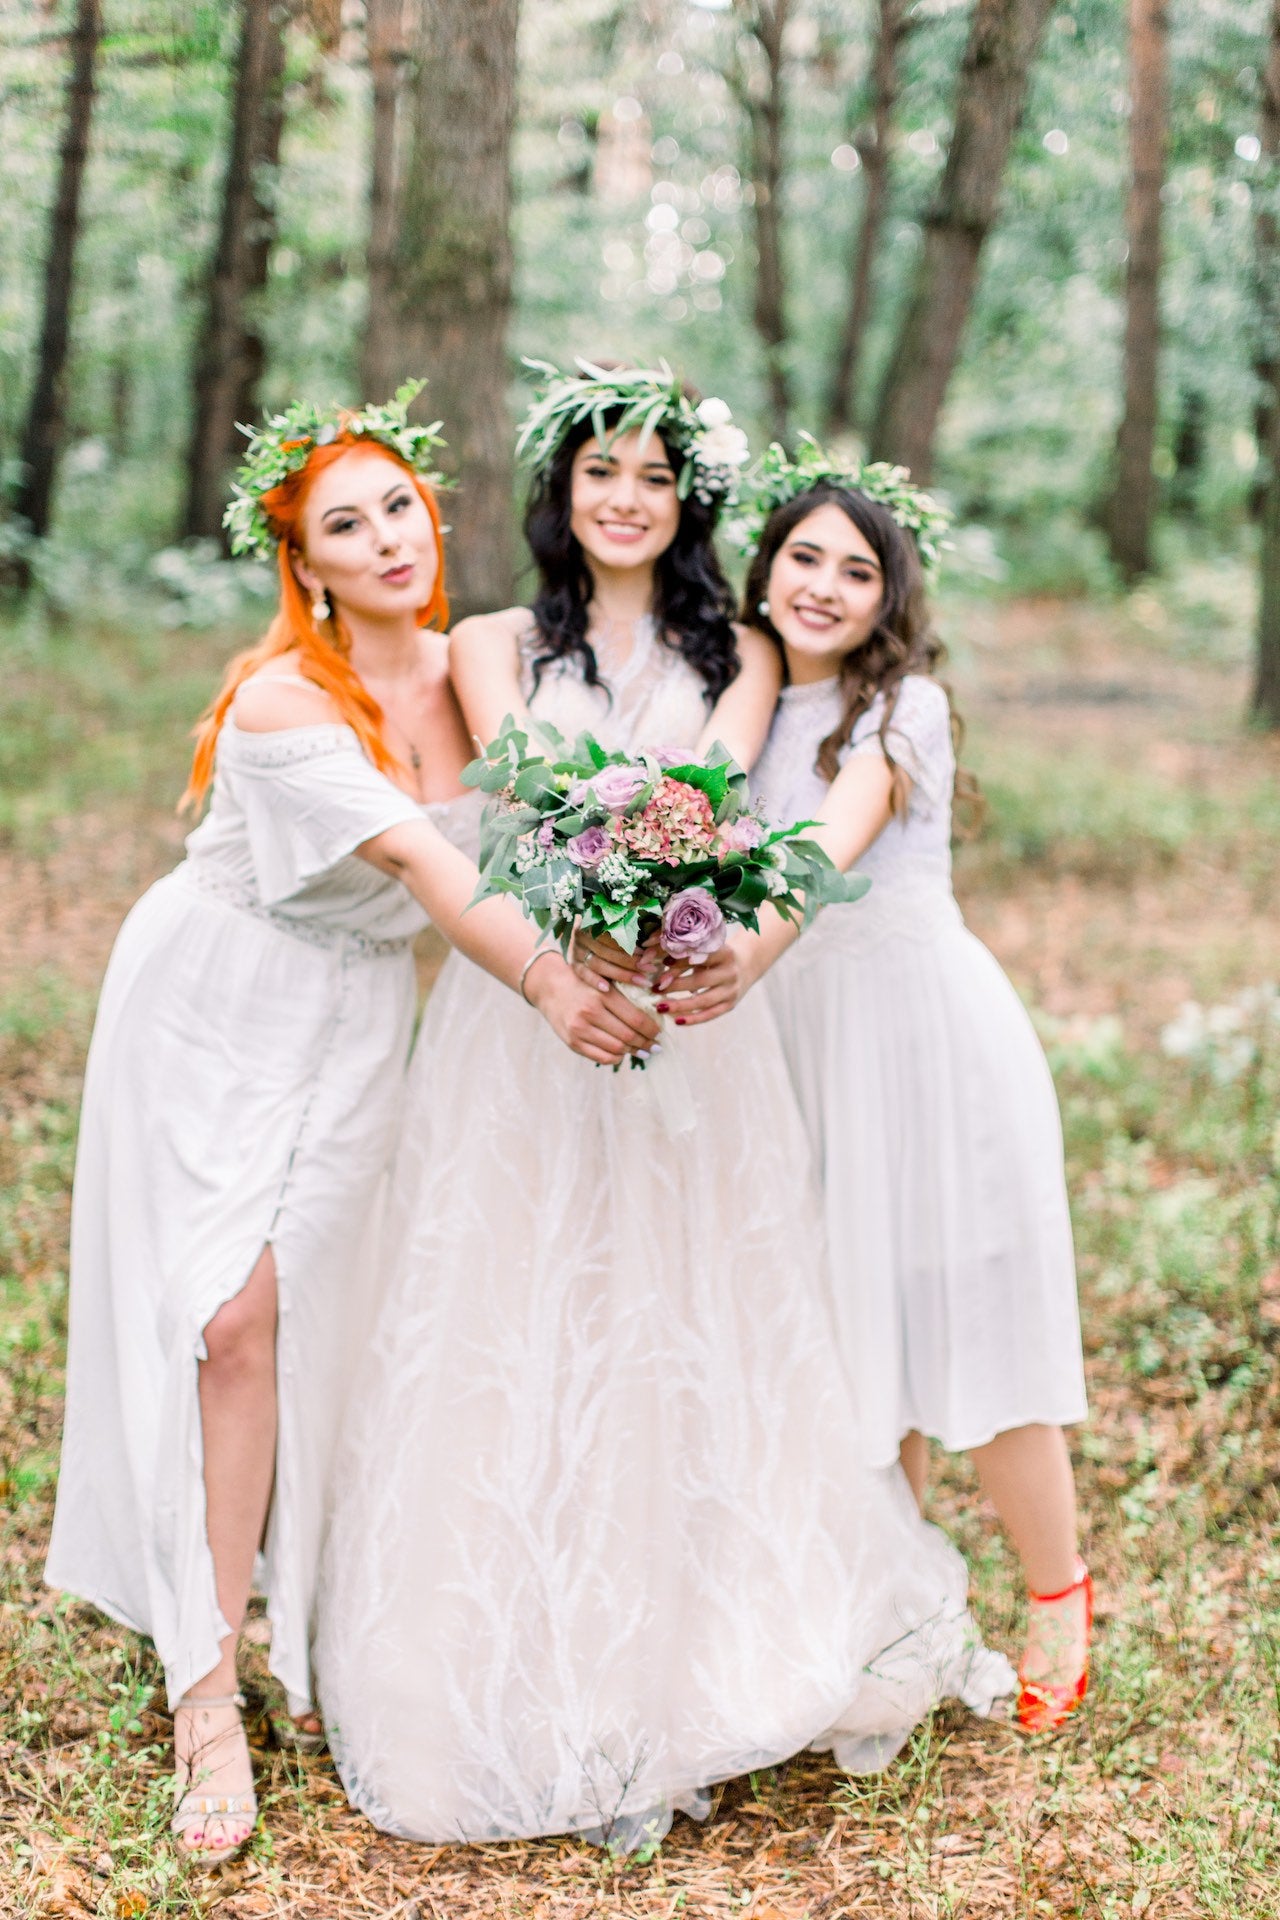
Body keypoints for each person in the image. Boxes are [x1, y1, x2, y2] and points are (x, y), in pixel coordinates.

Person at [315, 363, 1011, 1852]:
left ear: (686, 498)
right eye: (596, 474)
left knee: (692, 1317)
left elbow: (712, 796)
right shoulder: (491, 640)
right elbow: (527, 779)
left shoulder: (743, 647)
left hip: (690, 1011)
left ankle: (697, 1648)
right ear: (562, 497)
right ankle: (501, 1657)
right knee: (522, 1303)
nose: (624, 499)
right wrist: (583, 929)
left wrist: (680, 925)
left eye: (650, 475)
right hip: (533, 1011)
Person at [44, 390, 655, 1867]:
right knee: (224, 1316)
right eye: (346, 525)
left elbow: (564, 820)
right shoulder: (281, 705)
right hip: (216, 1001)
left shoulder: (485, 667)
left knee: (313, 1318)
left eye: (401, 508)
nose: (388, 539)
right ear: (301, 563)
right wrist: (550, 986)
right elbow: (433, 873)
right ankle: (205, 1689)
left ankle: (302, 1600)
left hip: (364, 1020)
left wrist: (654, 923)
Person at [721, 444, 1092, 1733]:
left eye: (857, 569)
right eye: (803, 557)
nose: (823, 585)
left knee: (970, 1328)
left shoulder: (902, 714)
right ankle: (897, 1609)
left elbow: (826, 850)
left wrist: (734, 954)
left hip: (924, 1044)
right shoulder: (741, 704)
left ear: (892, 598)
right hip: (802, 1052)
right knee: (849, 1332)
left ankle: (1061, 1600)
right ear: (763, 570)